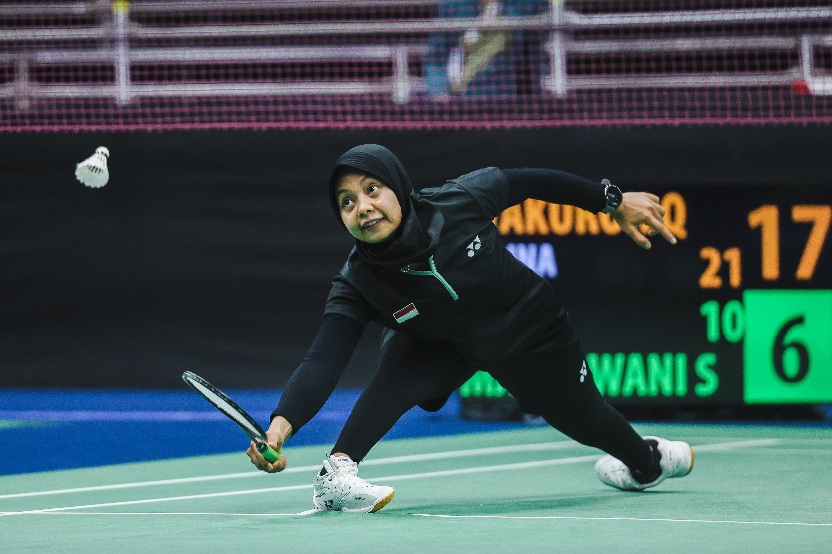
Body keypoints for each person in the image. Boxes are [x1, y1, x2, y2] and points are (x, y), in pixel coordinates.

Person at [247, 144, 694, 513]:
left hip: (528, 326)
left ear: (398, 189)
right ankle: (337, 472)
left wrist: (611, 201)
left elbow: (534, 180)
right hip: (444, 343)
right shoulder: (357, 282)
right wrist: (279, 428)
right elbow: (324, 359)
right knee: (399, 368)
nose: (363, 207)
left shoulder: (460, 201)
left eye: (372, 190)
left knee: (586, 418)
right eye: (347, 202)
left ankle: (646, 462)